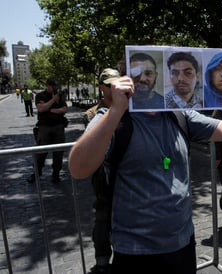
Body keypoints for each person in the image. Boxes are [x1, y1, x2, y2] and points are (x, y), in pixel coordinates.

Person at [68, 75, 222, 273]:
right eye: (139, 77)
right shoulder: (111, 118)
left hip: (183, 244)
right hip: (135, 251)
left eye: (154, 77)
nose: (148, 84)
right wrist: (116, 110)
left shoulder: (179, 114)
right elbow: (78, 168)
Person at [84, 68, 120, 274]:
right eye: (108, 84)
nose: (112, 88)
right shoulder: (92, 114)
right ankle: (102, 260)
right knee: (103, 215)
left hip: (123, 170)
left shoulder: (128, 107)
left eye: (115, 83)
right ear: (100, 87)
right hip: (101, 173)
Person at [27, 79, 68, 184]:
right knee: (41, 152)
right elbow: (41, 109)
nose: (54, 88)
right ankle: (36, 173)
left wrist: (56, 110)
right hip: (44, 127)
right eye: (52, 86)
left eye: (55, 86)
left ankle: (56, 174)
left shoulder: (59, 95)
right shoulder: (40, 96)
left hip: (58, 127)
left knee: (58, 152)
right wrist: (53, 100)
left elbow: (65, 108)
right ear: (47, 86)